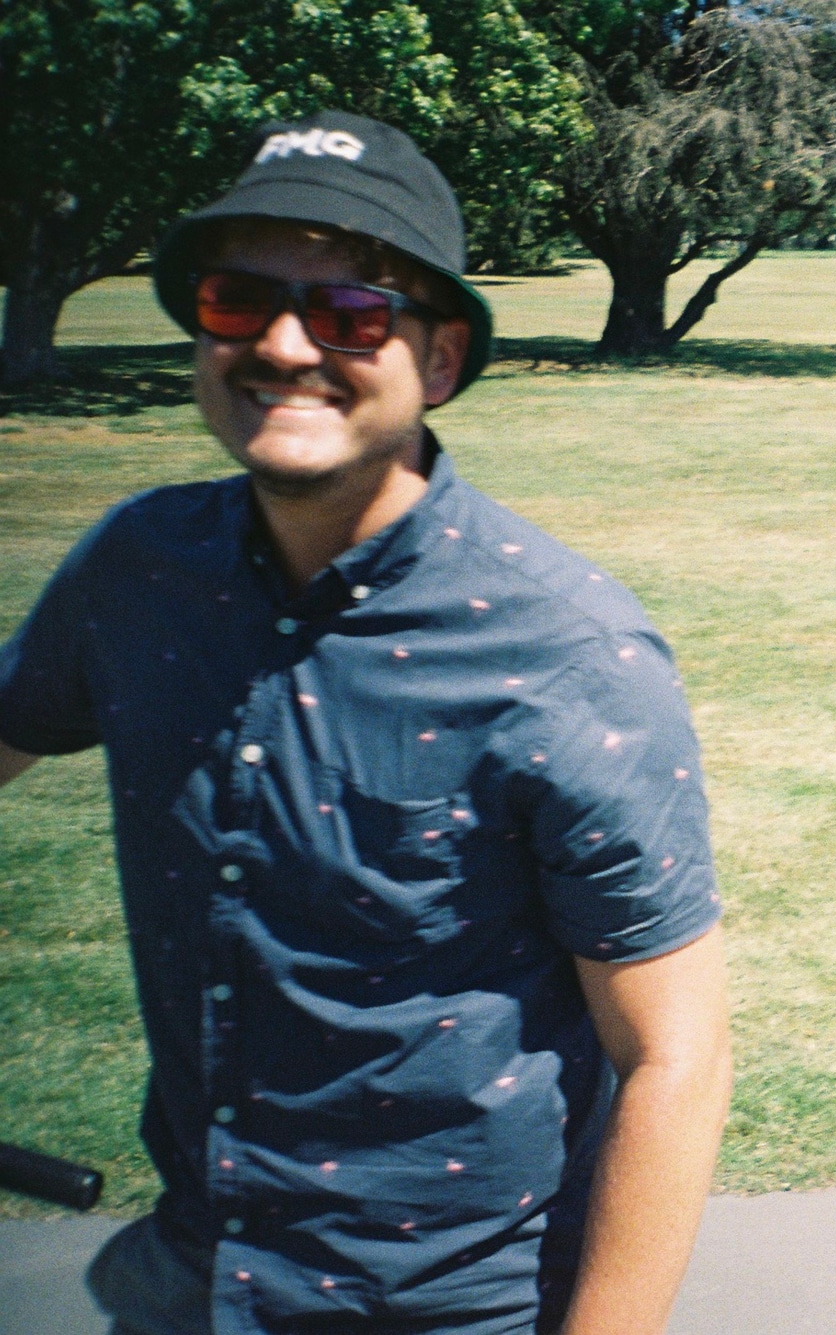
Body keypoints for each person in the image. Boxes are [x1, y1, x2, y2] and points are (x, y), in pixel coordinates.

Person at [0, 110, 731, 1335]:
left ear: (439, 361)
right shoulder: (139, 570)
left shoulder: (563, 654)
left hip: (446, 1306)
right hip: (192, 1269)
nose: (285, 346)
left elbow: (676, 1056)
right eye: (240, 299)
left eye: (349, 313)